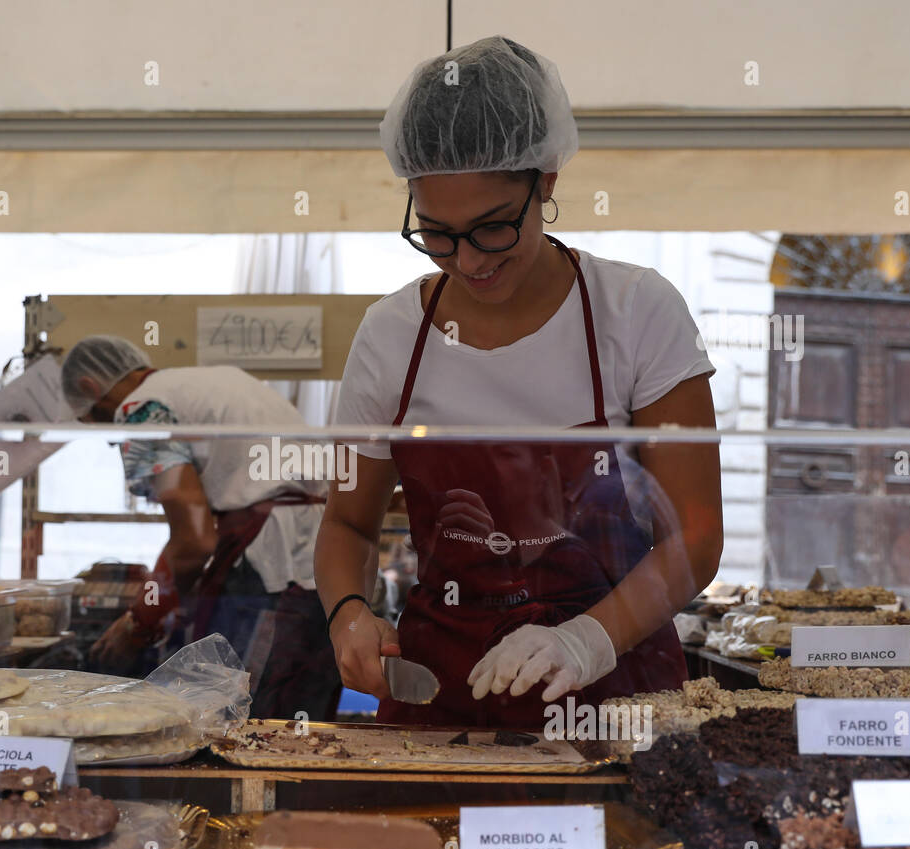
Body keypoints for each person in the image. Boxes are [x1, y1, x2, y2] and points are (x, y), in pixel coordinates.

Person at [316, 37, 723, 729]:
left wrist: (586, 638)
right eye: (437, 234)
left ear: (549, 180)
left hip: (615, 699)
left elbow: (696, 533)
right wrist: (346, 612)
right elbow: (346, 522)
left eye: (493, 227)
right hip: (446, 699)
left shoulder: (637, 312)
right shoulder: (390, 335)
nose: (468, 260)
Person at [61, 336, 343, 721]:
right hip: (322, 561)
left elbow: (194, 540)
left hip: (267, 570)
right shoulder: (213, 383)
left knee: (245, 726)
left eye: (94, 421)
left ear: (90, 389)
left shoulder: (142, 409)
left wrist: (139, 623)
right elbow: (196, 527)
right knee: (302, 732)